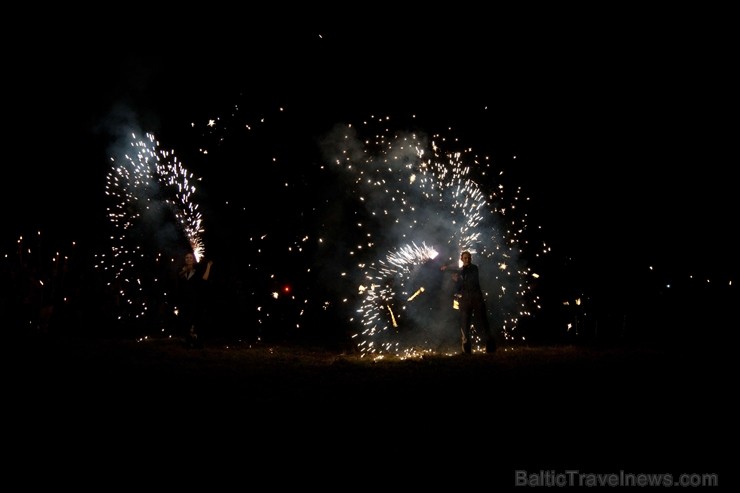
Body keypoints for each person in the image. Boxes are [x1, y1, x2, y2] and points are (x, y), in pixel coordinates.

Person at [441, 250, 496, 354]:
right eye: (465, 258)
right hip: (465, 300)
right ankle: (466, 350)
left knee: (483, 322)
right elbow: (459, 287)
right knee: (464, 324)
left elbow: (466, 275)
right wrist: (456, 281)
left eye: (469, 258)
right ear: (461, 259)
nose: (467, 260)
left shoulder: (473, 268)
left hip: (476, 299)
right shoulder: (461, 271)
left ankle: (490, 346)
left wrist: (447, 268)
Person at [175, 251, 213, 348]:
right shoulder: (181, 270)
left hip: (194, 300)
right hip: (183, 300)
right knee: (185, 320)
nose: (188, 259)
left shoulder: (196, 270)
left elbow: (204, 278)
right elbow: (178, 282)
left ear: (193, 260)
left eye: (190, 258)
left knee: (194, 320)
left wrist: (208, 266)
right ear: (185, 260)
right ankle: (187, 340)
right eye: (187, 258)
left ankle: (196, 341)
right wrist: (185, 271)